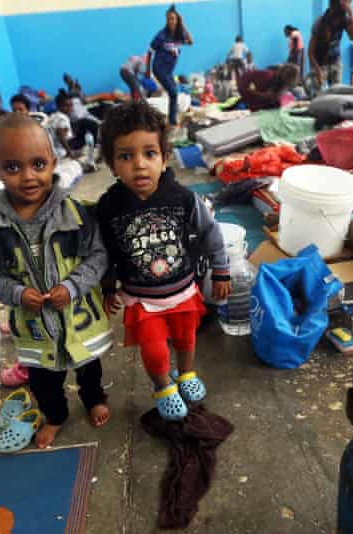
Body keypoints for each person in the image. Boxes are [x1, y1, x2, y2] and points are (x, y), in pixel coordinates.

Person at [0, 113, 112, 448]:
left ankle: (94, 399)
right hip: (34, 325)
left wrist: (73, 286)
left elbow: (98, 256)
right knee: (44, 379)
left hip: (78, 318)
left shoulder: (78, 213)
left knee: (89, 366)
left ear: (53, 161)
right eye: (13, 168)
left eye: (38, 164)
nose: (29, 177)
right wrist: (16, 293)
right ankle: (56, 416)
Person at [95, 102, 230, 421]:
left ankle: (185, 374)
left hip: (183, 291)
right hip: (143, 300)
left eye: (149, 153)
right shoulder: (109, 207)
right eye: (126, 156)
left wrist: (221, 270)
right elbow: (103, 251)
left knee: (186, 339)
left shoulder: (183, 198)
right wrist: (107, 287)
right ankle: (162, 386)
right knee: (155, 351)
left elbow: (211, 232)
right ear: (112, 164)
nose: (139, 165)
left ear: (165, 157)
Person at [148, 5, 193, 127]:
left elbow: (190, 41)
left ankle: (171, 117)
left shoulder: (179, 34)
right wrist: (148, 71)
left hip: (168, 71)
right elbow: (149, 52)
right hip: (158, 68)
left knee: (175, 92)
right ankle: (172, 121)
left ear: (177, 20)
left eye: (173, 19)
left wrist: (183, 23)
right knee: (173, 93)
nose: (170, 21)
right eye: (168, 19)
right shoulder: (161, 35)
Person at [309, 0, 353, 89]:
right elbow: (310, 53)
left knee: (337, 95)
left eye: (349, 3)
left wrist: (352, 16)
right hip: (320, 64)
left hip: (335, 62)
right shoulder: (320, 23)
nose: (347, 5)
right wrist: (317, 71)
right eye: (345, 2)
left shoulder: (344, 19)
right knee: (318, 97)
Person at [46, 92, 74, 159]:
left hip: (50, 151)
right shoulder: (62, 118)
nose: (70, 108)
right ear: (59, 106)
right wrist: (70, 153)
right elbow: (61, 137)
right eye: (67, 106)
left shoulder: (53, 116)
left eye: (71, 105)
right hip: (58, 152)